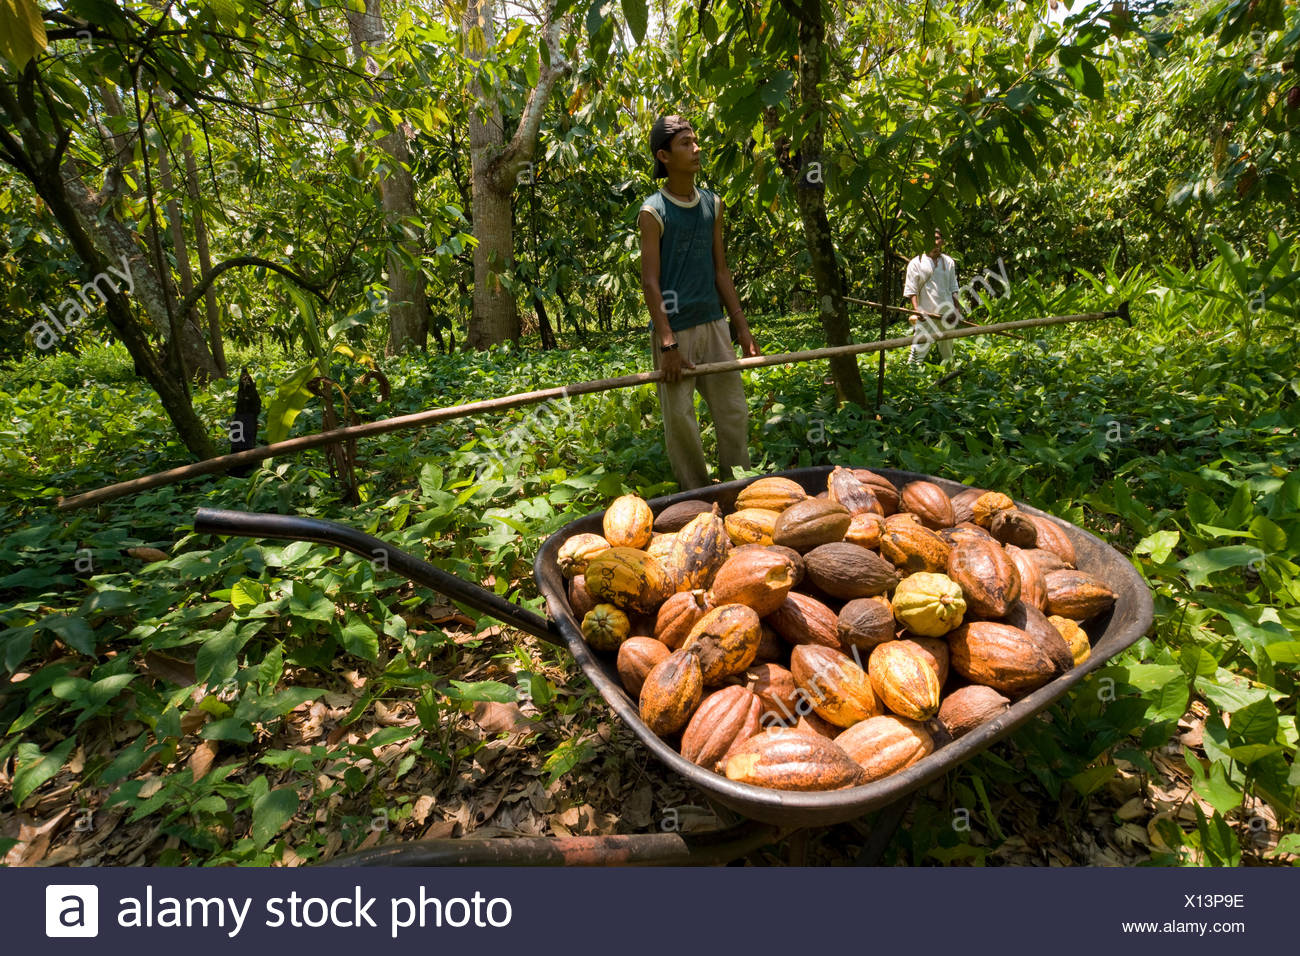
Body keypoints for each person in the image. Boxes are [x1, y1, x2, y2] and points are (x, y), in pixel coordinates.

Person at [638, 114, 760, 490]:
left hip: (714, 324)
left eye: (695, 141)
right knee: (682, 423)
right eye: (685, 144)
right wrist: (668, 343)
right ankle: (694, 497)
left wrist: (740, 326)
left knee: (734, 413)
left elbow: (721, 271)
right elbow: (650, 281)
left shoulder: (712, 204)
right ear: (664, 156)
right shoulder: (653, 211)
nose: (696, 149)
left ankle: (736, 490)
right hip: (675, 331)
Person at [903, 229, 962, 365]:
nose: (935, 242)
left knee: (947, 352)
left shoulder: (948, 262)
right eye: (931, 239)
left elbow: (953, 287)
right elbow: (912, 289)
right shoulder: (916, 262)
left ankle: (950, 379)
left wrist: (956, 310)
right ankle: (910, 377)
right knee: (917, 352)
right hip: (926, 315)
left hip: (947, 315)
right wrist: (917, 310)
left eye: (937, 238)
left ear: (942, 241)